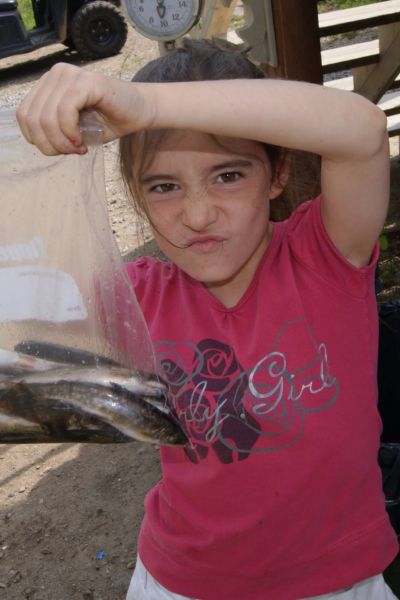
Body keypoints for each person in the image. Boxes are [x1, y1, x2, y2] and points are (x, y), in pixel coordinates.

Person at [16, 39, 399, 600]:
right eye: (164, 186)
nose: (197, 215)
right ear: (138, 199)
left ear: (277, 173)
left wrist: (147, 106)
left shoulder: (325, 256)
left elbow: (362, 131)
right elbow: (24, 298)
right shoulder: (136, 296)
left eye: (227, 175)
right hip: (179, 582)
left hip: (341, 583)